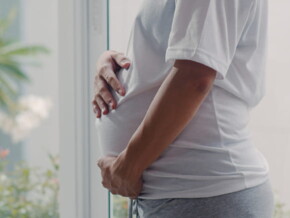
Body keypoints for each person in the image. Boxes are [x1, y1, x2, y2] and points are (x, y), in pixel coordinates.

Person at [93, 0, 274, 217]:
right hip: (180, 193)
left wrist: (128, 166)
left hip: (203, 196)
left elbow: (194, 78)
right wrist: (117, 65)